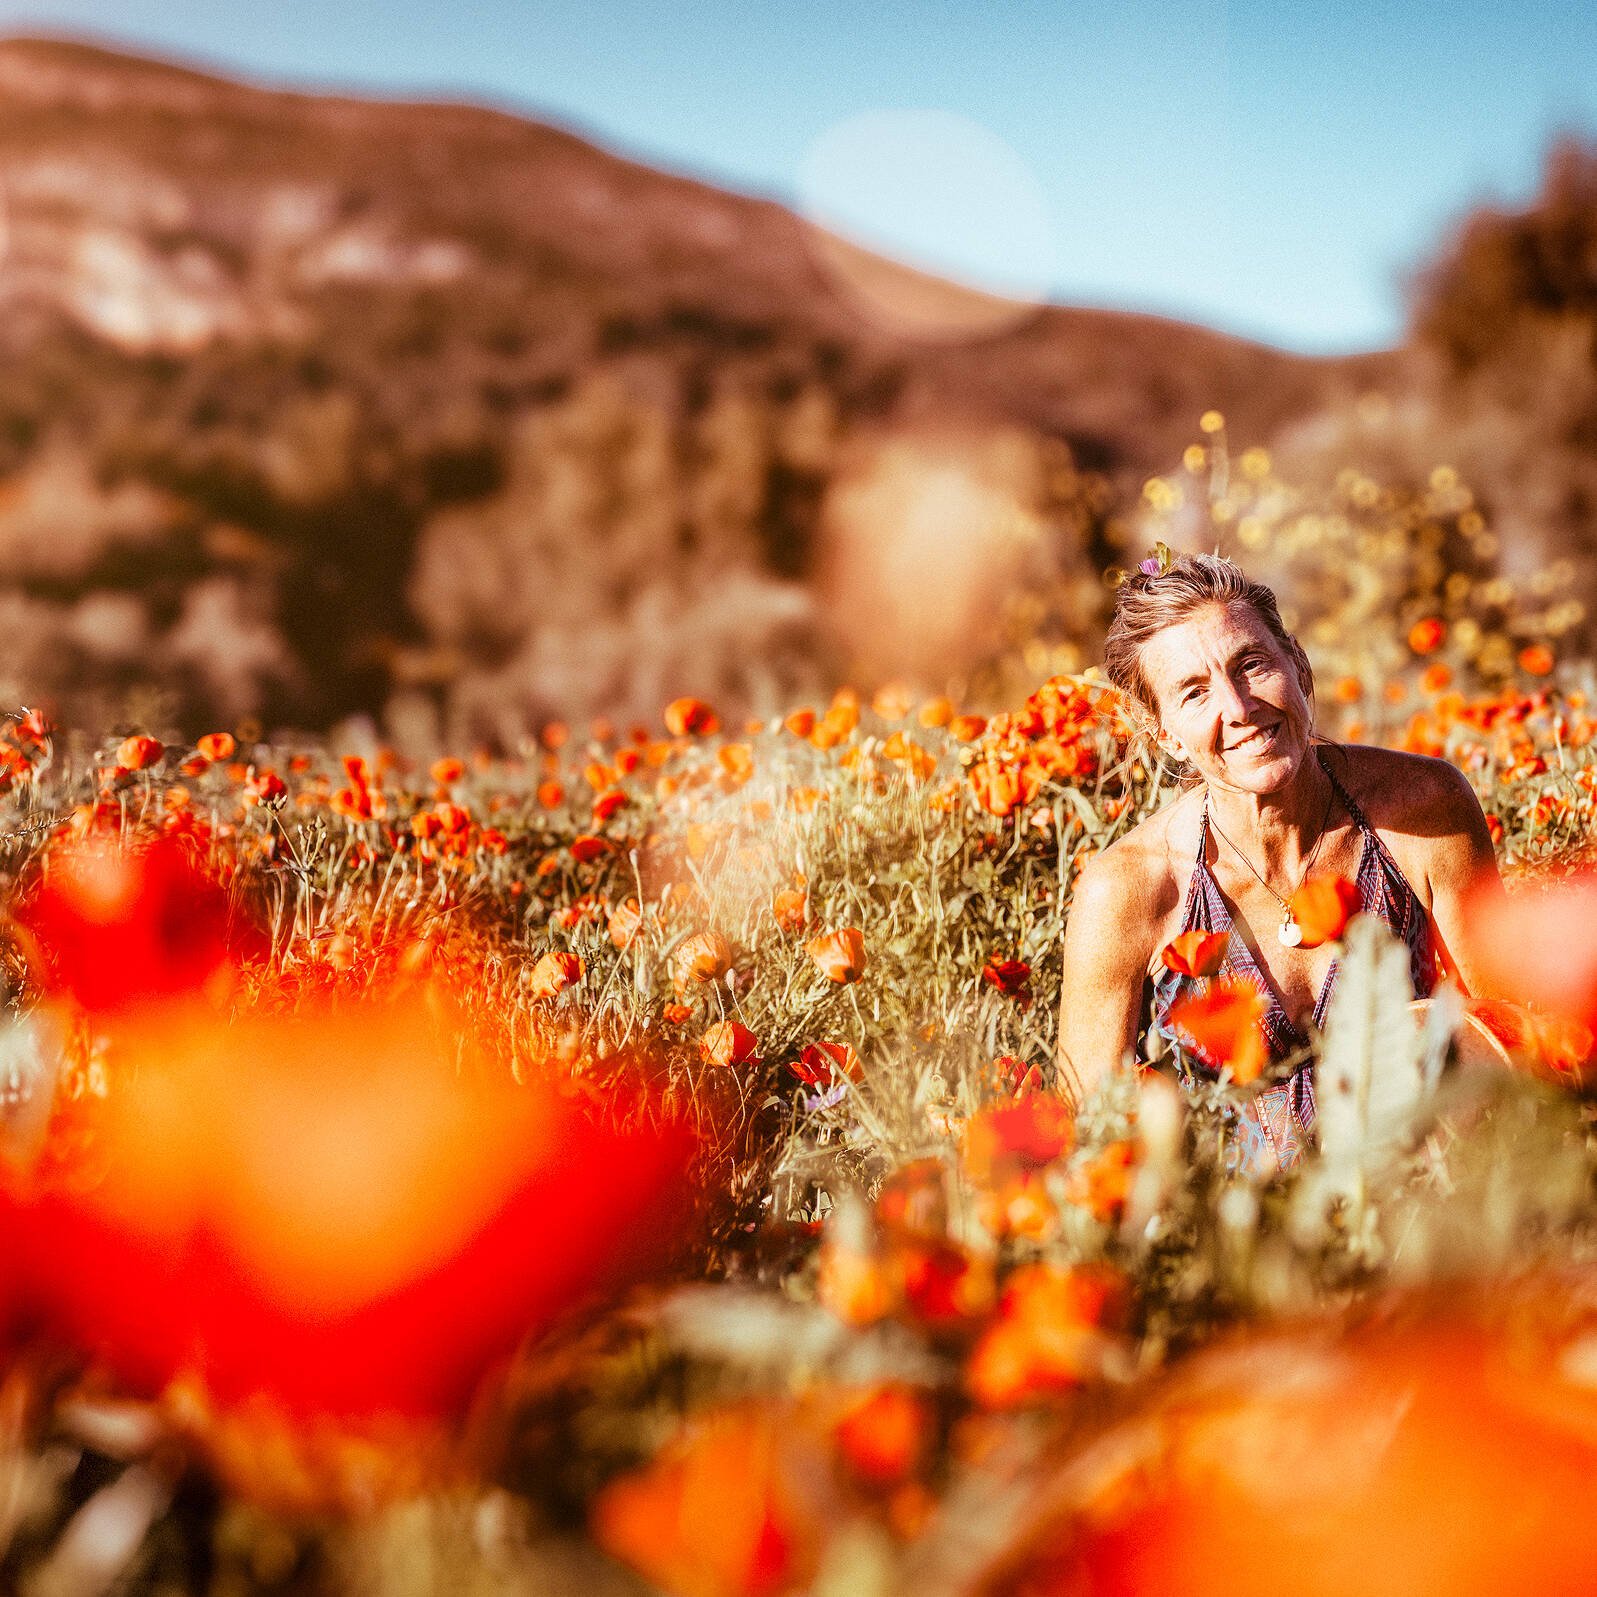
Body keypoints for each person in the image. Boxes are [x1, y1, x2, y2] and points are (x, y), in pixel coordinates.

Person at [1055, 551, 1504, 1171]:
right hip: (1242, 1244)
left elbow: (1507, 1032)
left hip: (1426, 1216)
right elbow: (1090, 1132)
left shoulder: (1423, 810)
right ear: (1162, 734)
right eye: (1193, 693)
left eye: (1252, 664)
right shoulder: (1131, 887)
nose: (1238, 708)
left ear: (1297, 662)